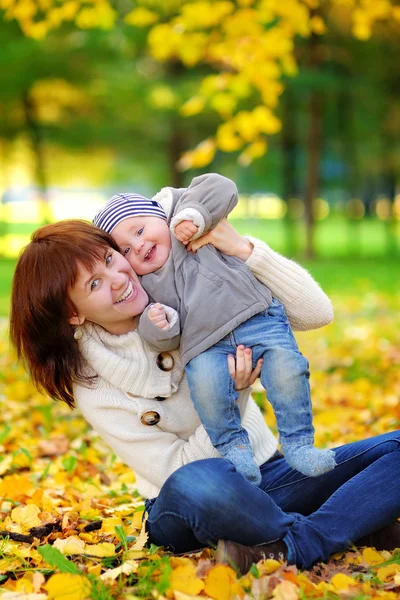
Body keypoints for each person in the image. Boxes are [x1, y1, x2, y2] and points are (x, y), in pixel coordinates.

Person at [10, 219, 400, 575]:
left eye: (111, 258)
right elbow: (173, 470)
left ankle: (302, 541)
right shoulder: (93, 383)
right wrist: (232, 395)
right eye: (93, 284)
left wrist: (246, 251)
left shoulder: (186, 292)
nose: (118, 278)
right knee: (202, 481)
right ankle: (352, 522)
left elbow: (316, 313)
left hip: (269, 473)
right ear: (73, 314)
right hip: (185, 504)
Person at [92, 173, 335, 485]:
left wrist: (194, 217)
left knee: (288, 372)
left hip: (258, 319)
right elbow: (157, 338)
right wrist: (159, 323)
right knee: (207, 390)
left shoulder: (189, 226)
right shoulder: (143, 285)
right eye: (124, 250)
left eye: (140, 230)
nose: (138, 246)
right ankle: (233, 448)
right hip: (205, 346)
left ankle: (299, 443)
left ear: (160, 215)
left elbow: (220, 187)